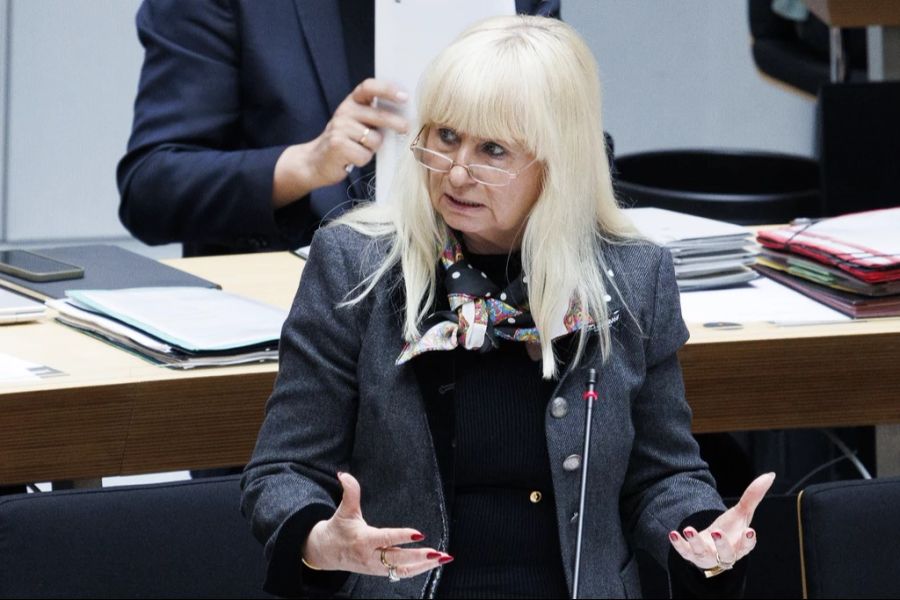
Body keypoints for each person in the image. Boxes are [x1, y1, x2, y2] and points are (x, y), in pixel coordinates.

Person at [240, 15, 774, 599]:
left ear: (557, 161)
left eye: (492, 149)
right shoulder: (355, 263)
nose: (456, 171)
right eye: (444, 136)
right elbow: (283, 471)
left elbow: (661, 473)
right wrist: (320, 541)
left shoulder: (631, 276)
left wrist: (702, 537)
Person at [117, 0, 558, 258]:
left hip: (493, 299)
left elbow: (567, 139)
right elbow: (151, 190)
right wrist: (305, 164)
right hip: (291, 308)